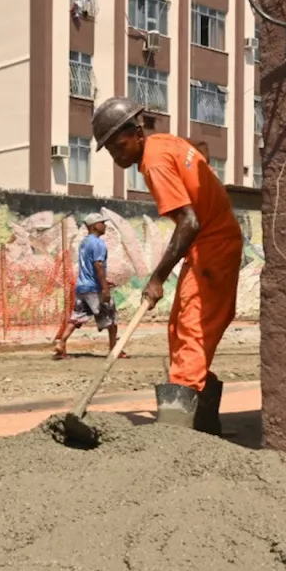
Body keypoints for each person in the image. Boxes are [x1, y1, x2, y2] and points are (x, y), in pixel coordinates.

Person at [91, 96, 242, 434]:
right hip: (212, 245)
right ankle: (203, 421)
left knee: (191, 330)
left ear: (136, 132)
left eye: (119, 146)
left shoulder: (154, 162)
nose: (117, 157)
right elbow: (198, 151)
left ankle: (177, 435)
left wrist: (157, 278)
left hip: (213, 247)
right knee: (179, 329)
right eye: (111, 151)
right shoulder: (163, 144)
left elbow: (189, 222)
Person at [52, 212, 124, 361]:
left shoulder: (84, 243)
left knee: (77, 317)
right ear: (94, 226)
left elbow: (89, 267)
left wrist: (105, 281)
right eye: (102, 223)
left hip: (82, 287)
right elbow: (97, 265)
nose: (104, 225)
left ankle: (61, 343)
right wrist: (104, 288)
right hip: (94, 289)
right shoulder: (98, 243)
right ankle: (114, 350)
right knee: (112, 319)